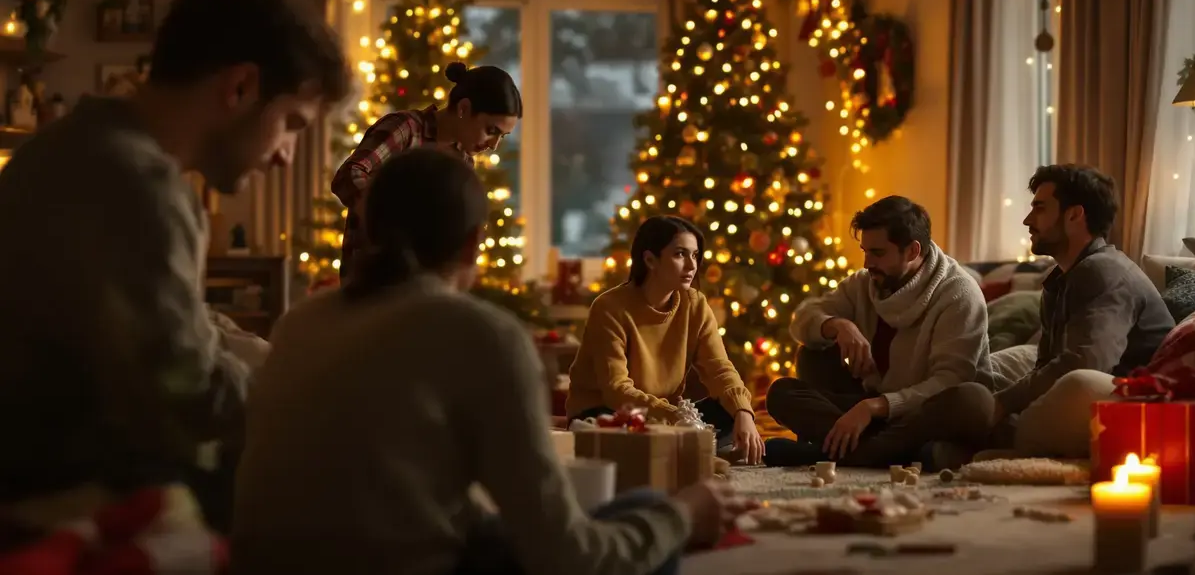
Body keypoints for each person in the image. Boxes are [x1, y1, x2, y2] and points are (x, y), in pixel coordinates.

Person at [233, 149, 755, 574]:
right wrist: (684, 515)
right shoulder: (484, 335)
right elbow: (568, 556)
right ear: (470, 245)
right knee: (648, 523)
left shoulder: (301, 322)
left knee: (627, 508)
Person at [0, 0, 348, 555]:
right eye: (291, 124)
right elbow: (186, 395)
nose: (286, 157)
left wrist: (280, 361)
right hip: (54, 489)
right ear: (240, 87)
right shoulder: (137, 182)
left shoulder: (75, 144)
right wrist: (308, 394)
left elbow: (187, 324)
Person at [925, 165, 1175, 462]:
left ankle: (984, 448)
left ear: (1074, 215)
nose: (1028, 220)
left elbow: (1087, 363)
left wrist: (1003, 405)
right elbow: (1045, 364)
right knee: (970, 391)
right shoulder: (1061, 279)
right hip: (1075, 399)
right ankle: (974, 447)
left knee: (978, 411)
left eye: (1039, 209)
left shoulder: (1102, 271)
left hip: (1131, 405)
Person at [763, 196, 992, 468]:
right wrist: (838, 325)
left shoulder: (958, 293)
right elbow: (801, 320)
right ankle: (897, 453)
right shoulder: (866, 282)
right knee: (786, 386)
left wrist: (874, 407)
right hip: (879, 410)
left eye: (878, 253)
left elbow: (949, 381)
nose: (866, 263)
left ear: (912, 251)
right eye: (865, 250)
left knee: (971, 399)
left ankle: (829, 454)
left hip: (924, 410)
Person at [567, 216, 765, 465]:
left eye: (695, 255)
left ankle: (685, 446)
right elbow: (616, 390)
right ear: (650, 260)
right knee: (618, 431)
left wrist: (743, 412)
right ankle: (691, 448)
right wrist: (679, 418)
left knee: (728, 411)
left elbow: (720, 369)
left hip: (665, 418)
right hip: (609, 412)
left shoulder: (695, 304)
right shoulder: (610, 308)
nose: (691, 265)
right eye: (680, 254)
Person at [331, 61, 520, 279]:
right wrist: (392, 220)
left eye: (501, 137)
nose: (493, 145)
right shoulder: (405, 130)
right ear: (463, 109)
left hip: (420, 287)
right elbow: (348, 175)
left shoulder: (463, 161)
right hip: (370, 281)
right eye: (491, 130)